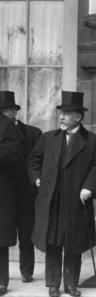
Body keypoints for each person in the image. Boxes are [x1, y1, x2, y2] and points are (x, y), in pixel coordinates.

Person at [28, 91, 96, 297]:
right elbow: (34, 160)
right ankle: (53, 284)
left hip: (76, 200)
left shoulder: (93, 141)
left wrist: (89, 187)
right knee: (53, 242)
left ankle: (71, 284)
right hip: (52, 199)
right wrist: (36, 177)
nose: (61, 117)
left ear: (78, 117)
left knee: (74, 243)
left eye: (67, 113)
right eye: (61, 113)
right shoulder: (48, 138)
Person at [0, 91, 42, 283]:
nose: (6, 114)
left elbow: (39, 161)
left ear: (15, 112)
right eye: (2, 111)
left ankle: (27, 272)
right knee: (3, 233)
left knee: (27, 234)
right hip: (5, 193)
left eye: (8, 110)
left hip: (26, 192)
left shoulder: (33, 133)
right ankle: (3, 277)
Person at [0, 92, 25, 296]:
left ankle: (1, 282)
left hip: (3, 190)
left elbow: (12, 154)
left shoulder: (8, 126)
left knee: (0, 239)